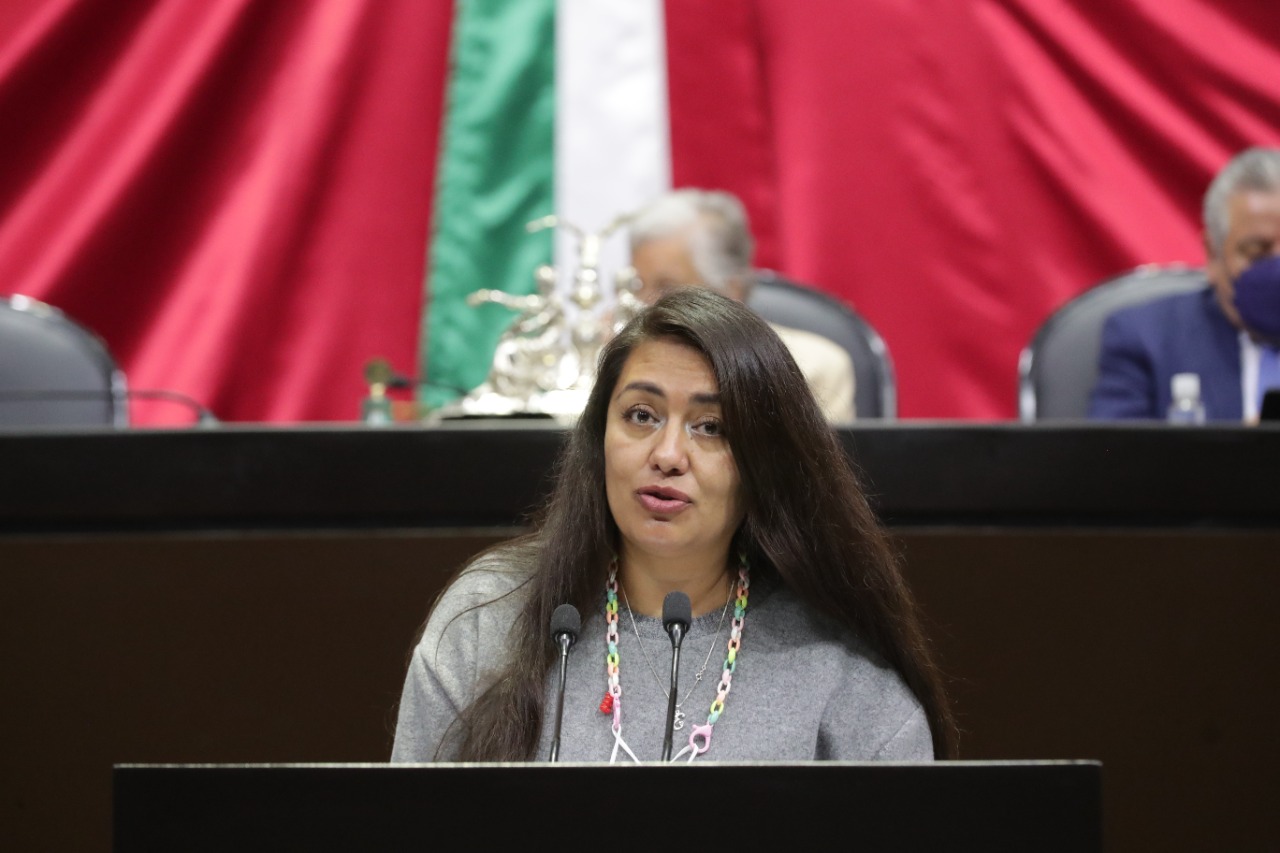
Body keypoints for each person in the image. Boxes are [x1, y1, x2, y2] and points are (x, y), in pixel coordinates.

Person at [391, 287, 955, 763]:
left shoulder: (842, 668)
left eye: (711, 427)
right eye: (641, 415)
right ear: (599, 438)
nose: (666, 455)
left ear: (765, 464)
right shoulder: (489, 617)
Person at [626, 188, 858, 424]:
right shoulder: (620, 357)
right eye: (635, 285)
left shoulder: (816, 369)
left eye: (666, 288)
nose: (640, 304)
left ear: (730, 291)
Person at [1089, 146, 1280, 421]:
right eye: (1256, 251)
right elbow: (1111, 446)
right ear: (1213, 254)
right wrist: (1241, 444)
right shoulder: (1145, 338)